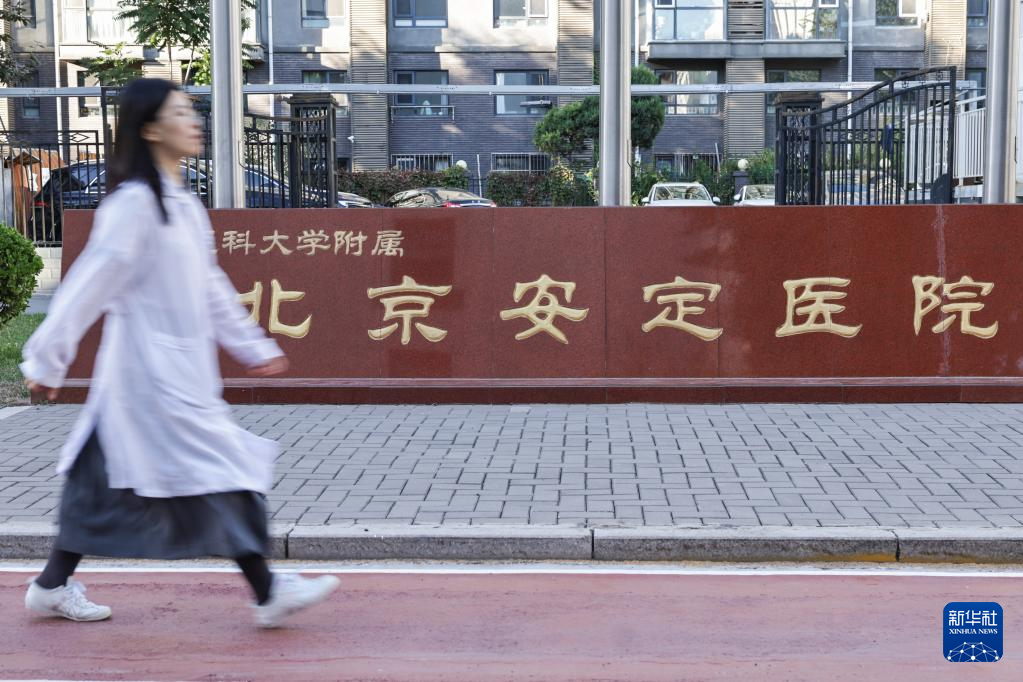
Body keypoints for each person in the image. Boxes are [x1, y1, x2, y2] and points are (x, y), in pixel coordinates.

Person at [19, 78, 339, 628]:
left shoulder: (182, 205)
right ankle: (267, 591)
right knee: (222, 470)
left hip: (173, 375)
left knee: (101, 483)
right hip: (146, 377)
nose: (193, 122)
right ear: (149, 129)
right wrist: (47, 360)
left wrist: (251, 345)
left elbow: (210, 286)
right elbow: (87, 286)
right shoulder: (134, 206)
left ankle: (50, 584)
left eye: (192, 111)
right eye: (180, 112)